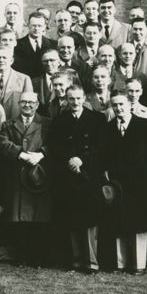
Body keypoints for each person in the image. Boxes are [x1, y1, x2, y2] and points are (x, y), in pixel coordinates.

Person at [96, 93, 147, 274]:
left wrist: (146, 173)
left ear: (130, 105)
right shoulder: (108, 129)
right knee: (120, 223)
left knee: (139, 223)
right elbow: (102, 155)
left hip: (140, 183)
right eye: (115, 105)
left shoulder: (146, 126)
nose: (118, 108)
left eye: (122, 104)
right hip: (118, 184)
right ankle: (121, 263)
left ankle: (138, 264)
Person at [46, 84, 104, 273]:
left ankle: (91, 262)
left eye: (78, 98)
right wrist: (70, 160)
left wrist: (82, 160)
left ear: (84, 99)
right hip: (67, 176)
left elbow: (101, 148)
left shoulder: (97, 119)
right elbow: (54, 147)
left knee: (89, 220)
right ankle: (76, 260)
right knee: (71, 219)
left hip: (89, 176)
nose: (75, 102)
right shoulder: (59, 121)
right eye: (71, 99)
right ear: (66, 99)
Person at [0, 92, 52, 266]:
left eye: (31, 102)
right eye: (24, 102)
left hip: (39, 177)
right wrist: (20, 154)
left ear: (37, 104)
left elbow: (56, 143)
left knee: (39, 219)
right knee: (20, 219)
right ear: (19, 104)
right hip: (17, 177)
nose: (27, 105)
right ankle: (21, 257)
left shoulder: (47, 123)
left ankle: (38, 258)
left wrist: (41, 155)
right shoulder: (8, 124)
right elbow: (2, 143)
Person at [0, 46, 33, 123]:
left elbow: (29, 106)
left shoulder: (24, 79)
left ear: (11, 60)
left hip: (15, 124)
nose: (1, 60)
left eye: (4, 57)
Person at [14, 12, 57, 78]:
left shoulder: (53, 45)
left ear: (45, 27)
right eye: (33, 25)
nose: (36, 28)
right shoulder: (17, 45)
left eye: (39, 26)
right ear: (28, 25)